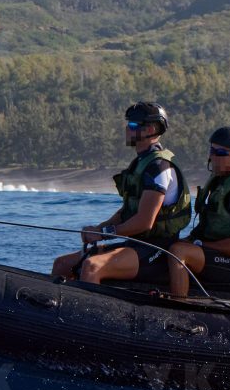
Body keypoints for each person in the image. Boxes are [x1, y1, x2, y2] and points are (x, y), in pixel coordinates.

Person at [51, 102, 191, 285]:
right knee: (62, 264)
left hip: (156, 249)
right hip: (135, 245)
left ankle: (89, 311)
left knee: (92, 266)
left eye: (132, 125)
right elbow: (126, 211)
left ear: (149, 129)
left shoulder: (159, 167)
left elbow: (144, 222)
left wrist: (104, 234)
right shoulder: (140, 163)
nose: (127, 129)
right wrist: (98, 228)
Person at [168, 126, 230, 298]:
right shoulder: (218, 182)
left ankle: (179, 307)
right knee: (167, 247)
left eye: (220, 152)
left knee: (179, 252)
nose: (212, 157)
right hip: (212, 253)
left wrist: (197, 244)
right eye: (211, 150)